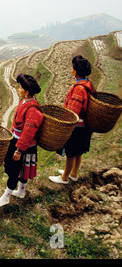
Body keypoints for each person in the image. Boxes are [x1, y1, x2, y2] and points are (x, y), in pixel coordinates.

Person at [0, 74, 43, 207]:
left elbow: (28, 132)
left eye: (20, 87)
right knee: (21, 169)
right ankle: (21, 191)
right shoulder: (25, 102)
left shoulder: (33, 110)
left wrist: (19, 149)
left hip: (23, 145)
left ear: (26, 91)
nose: (18, 89)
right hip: (18, 141)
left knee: (15, 170)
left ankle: (6, 196)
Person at [49, 55, 96, 184]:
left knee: (71, 152)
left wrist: (64, 122)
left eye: (72, 68)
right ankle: (73, 174)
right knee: (78, 151)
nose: (71, 70)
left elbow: (73, 111)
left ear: (75, 71)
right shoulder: (87, 84)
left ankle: (64, 177)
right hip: (85, 126)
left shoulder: (79, 89)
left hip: (77, 127)